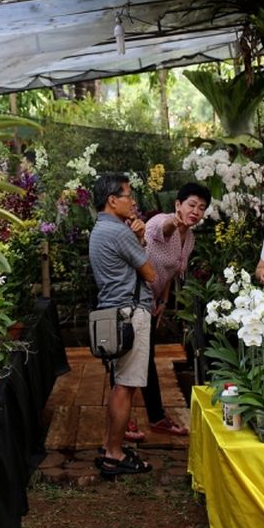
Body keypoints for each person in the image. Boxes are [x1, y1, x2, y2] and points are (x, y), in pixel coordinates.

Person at [124, 182, 211, 439]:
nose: (196, 211)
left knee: (145, 359)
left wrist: (162, 301)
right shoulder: (159, 222)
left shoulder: (190, 238)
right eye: (191, 205)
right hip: (132, 300)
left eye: (202, 208)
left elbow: (172, 271)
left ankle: (155, 417)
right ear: (178, 205)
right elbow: (163, 229)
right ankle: (126, 419)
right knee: (128, 358)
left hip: (150, 304)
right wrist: (175, 221)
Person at [88, 173, 157, 475]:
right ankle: (114, 455)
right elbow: (151, 273)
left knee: (119, 383)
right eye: (128, 195)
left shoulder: (100, 230)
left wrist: (137, 237)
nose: (133, 201)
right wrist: (140, 239)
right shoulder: (118, 232)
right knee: (125, 387)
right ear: (112, 200)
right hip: (130, 314)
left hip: (113, 312)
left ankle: (108, 446)